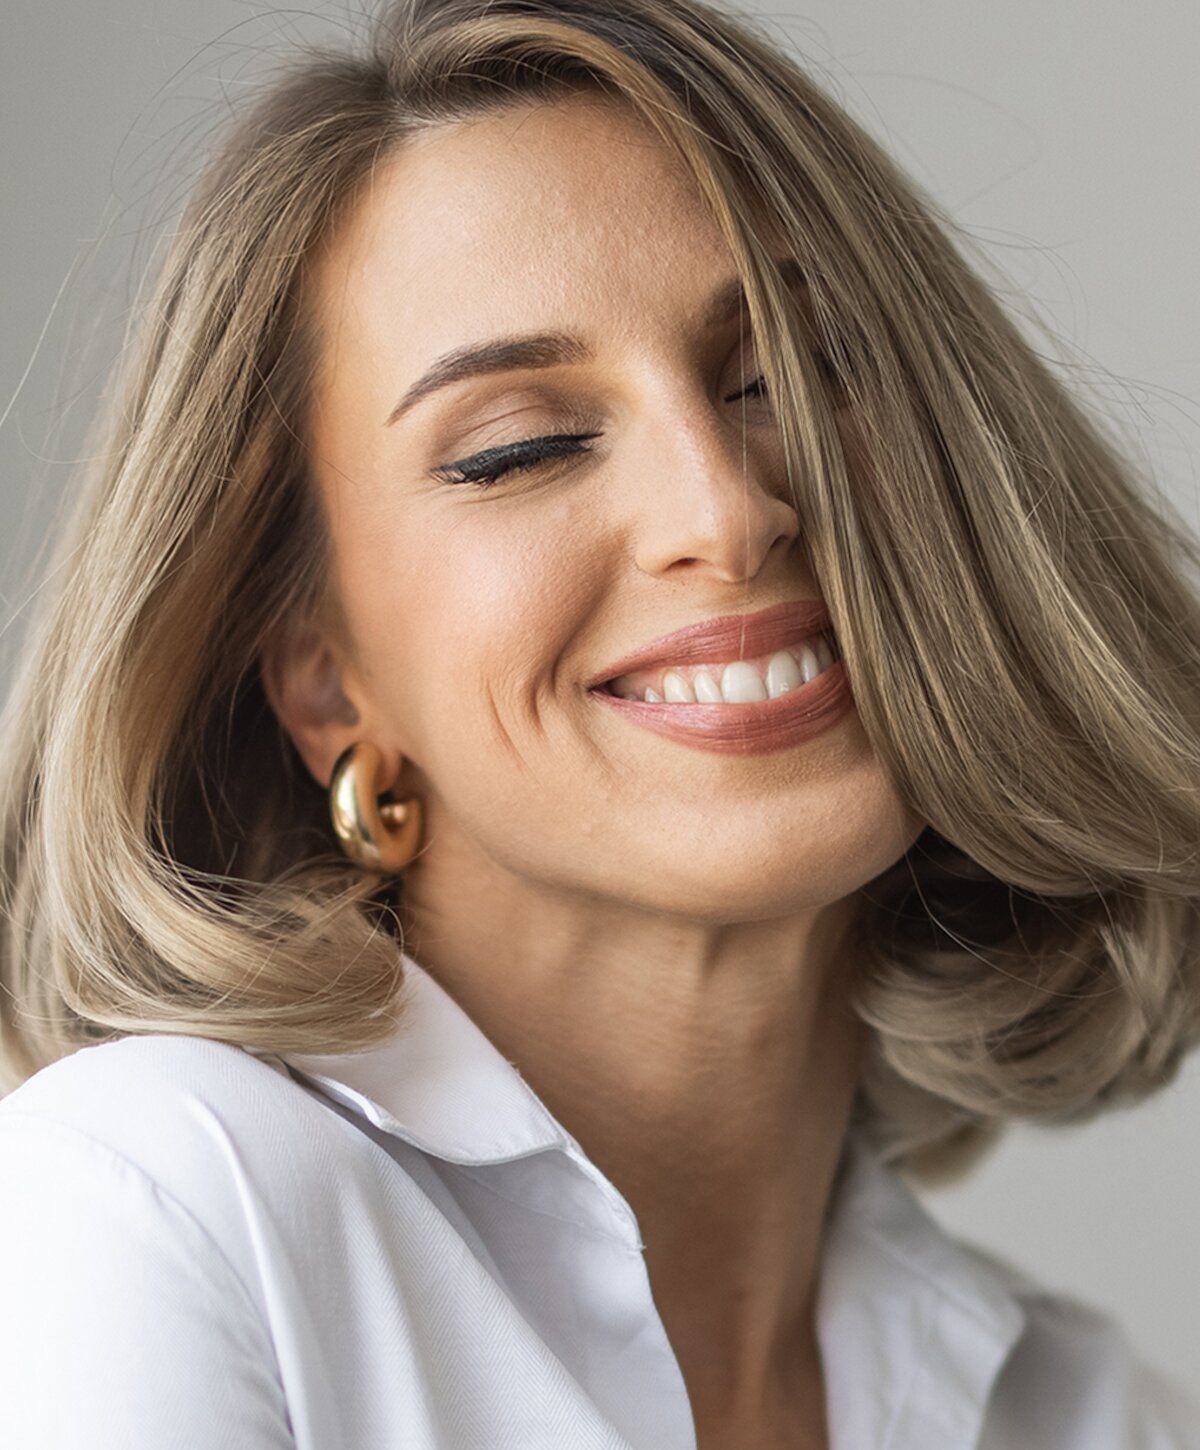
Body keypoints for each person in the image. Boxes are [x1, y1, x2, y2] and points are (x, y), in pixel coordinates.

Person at [1, 0, 1198, 1444]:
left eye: (793, 378)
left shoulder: (1092, 1416)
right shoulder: (160, 1209)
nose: (727, 508)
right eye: (520, 448)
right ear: (324, 680)